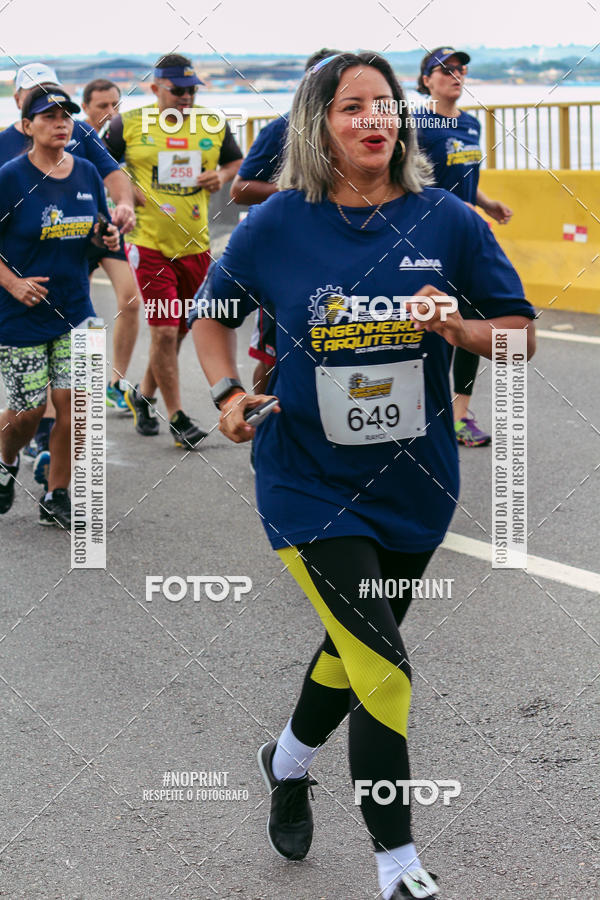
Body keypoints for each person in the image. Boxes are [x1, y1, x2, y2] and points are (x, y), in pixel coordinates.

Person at [190, 52, 535, 899]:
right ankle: (398, 865)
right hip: (306, 479)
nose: (373, 119)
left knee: (352, 652)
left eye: (385, 104)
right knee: (384, 666)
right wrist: (228, 393)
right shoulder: (279, 225)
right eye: (352, 106)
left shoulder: (448, 221)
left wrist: (460, 329)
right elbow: (212, 316)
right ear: (318, 124)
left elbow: (519, 335)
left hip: (416, 483)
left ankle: (285, 760)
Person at [0, 63, 136, 481]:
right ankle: (7, 459)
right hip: (21, 310)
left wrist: (107, 234)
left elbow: (97, 221)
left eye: (65, 115)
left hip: (75, 306)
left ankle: (57, 492)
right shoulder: (9, 173)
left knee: (77, 406)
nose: (61, 123)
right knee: (28, 411)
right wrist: (12, 282)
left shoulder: (86, 167)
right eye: (49, 116)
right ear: (26, 121)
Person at [103, 53, 243, 449]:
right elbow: (97, 165)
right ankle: (178, 418)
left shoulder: (212, 123)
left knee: (178, 331)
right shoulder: (127, 124)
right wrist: (125, 193)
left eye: (192, 90)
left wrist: (221, 175)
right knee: (164, 330)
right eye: (178, 90)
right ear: (155, 88)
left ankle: (143, 395)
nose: (186, 97)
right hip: (149, 243)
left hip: (195, 244)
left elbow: (236, 162)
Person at [414, 47, 514, 448]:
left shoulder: (471, 124)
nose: (456, 74)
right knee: (434, 324)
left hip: (467, 237)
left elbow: (467, 176)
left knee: (472, 320)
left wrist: (486, 203)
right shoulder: (417, 125)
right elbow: (409, 180)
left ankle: (459, 416)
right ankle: (425, 410)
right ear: (427, 80)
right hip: (429, 237)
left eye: (460, 68)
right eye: (445, 69)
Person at [230, 49, 339, 401]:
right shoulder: (282, 128)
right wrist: (297, 191)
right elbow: (239, 189)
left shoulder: (356, 129)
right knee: (272, 352)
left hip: (339, 254)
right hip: (285, 256)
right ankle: (260, 421)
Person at [82, 78, 142, 412]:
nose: (111, 111)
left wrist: (130, 200)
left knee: (131, 301)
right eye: (102, 105)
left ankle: (116, 383)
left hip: (108, 230)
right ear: (85, 107)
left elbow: (126, 179)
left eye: (116, 104)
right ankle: (79, 385)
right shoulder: (73, 136)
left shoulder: (122, 136)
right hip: (75, 234)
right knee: (81, 311)